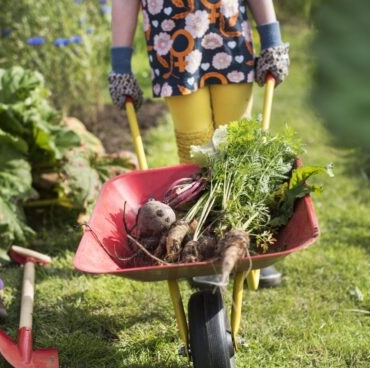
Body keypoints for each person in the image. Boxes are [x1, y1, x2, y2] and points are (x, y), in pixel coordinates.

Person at [108, 0, 289, 287]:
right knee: (197, 154)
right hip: (174, 46)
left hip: (230, 38)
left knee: (238, 150)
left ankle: (247, 240)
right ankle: (204, 247)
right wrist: (120, 64)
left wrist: (271, 38)